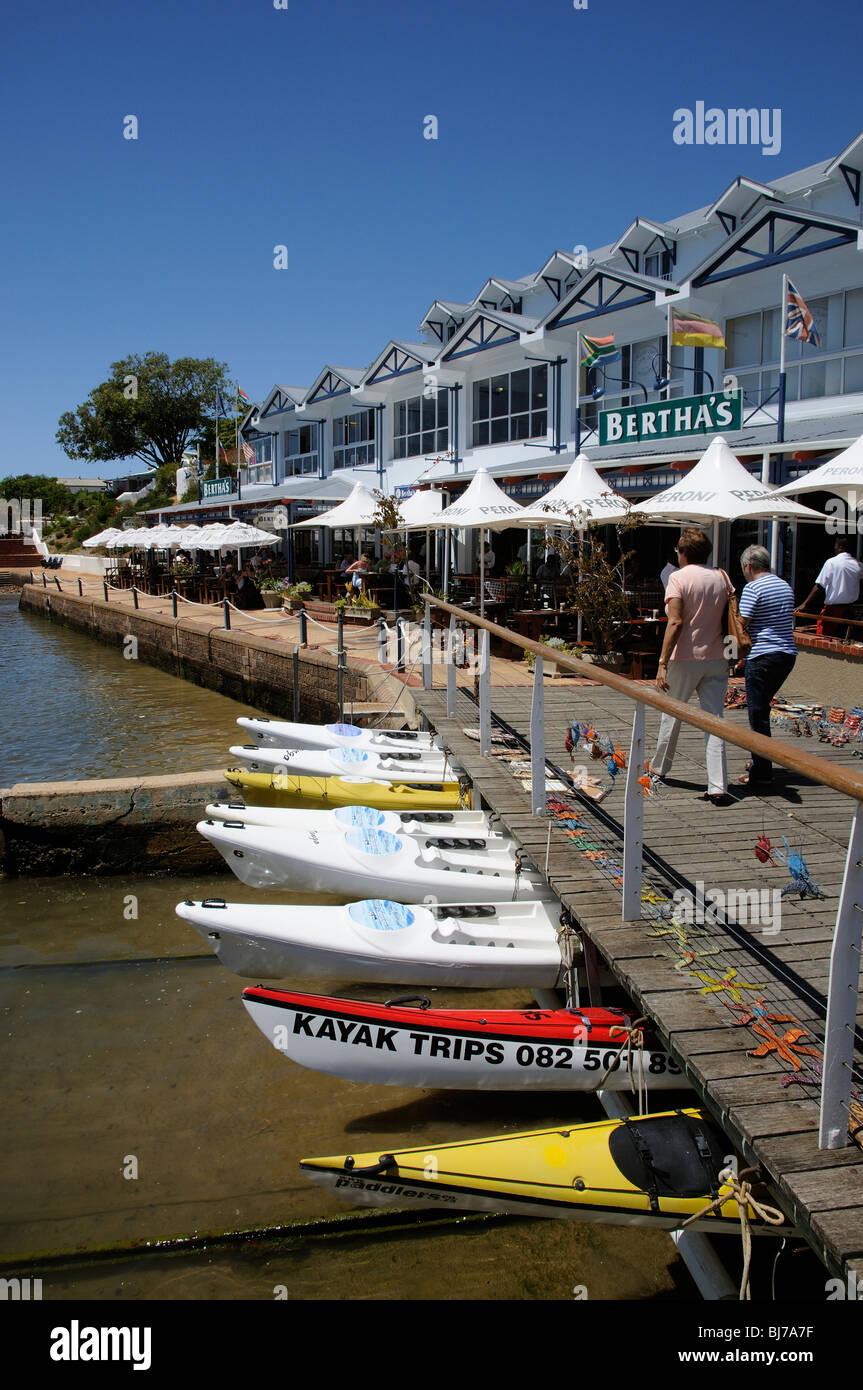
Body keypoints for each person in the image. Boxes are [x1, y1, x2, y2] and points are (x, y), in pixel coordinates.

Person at [649, 528, 730, 805]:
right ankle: (718, 785)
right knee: (715, 722)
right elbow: (730, 618)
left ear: (683, 553)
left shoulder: (677, 578)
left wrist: (661, 663)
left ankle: (659, 768)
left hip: (684, 658)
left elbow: (675, 622)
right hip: (717, 657)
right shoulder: (722, 576)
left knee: (672, 715)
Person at [735, 544, 796, 788]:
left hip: (763, 656)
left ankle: (762, 772)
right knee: (761, 711)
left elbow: (742, 624)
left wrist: (735, 652)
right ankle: (761, 762)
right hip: (787, 655)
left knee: (757, 715)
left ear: (748, 566)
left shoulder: (753, 587)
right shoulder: (785, 585)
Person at [800, 536, 862, 637]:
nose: (834, 548)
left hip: (832, 612)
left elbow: (819, 586)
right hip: (849, 612)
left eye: (835, 545)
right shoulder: (858, 565)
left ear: (840, 547)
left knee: (825, 639)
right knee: (846, 640)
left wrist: (805, 604)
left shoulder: (831, 562)